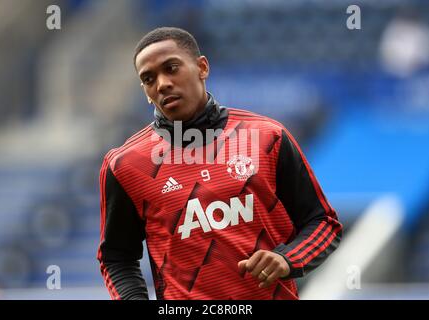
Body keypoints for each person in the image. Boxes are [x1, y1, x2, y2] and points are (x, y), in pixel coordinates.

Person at [97, 27, 342, 300]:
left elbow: (323, 224)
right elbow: (116, 257)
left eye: (172, 68)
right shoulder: (126, 165)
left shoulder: (267, 138)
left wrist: (288, 260)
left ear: (202, 67)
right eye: (148, 78)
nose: (162, 83)